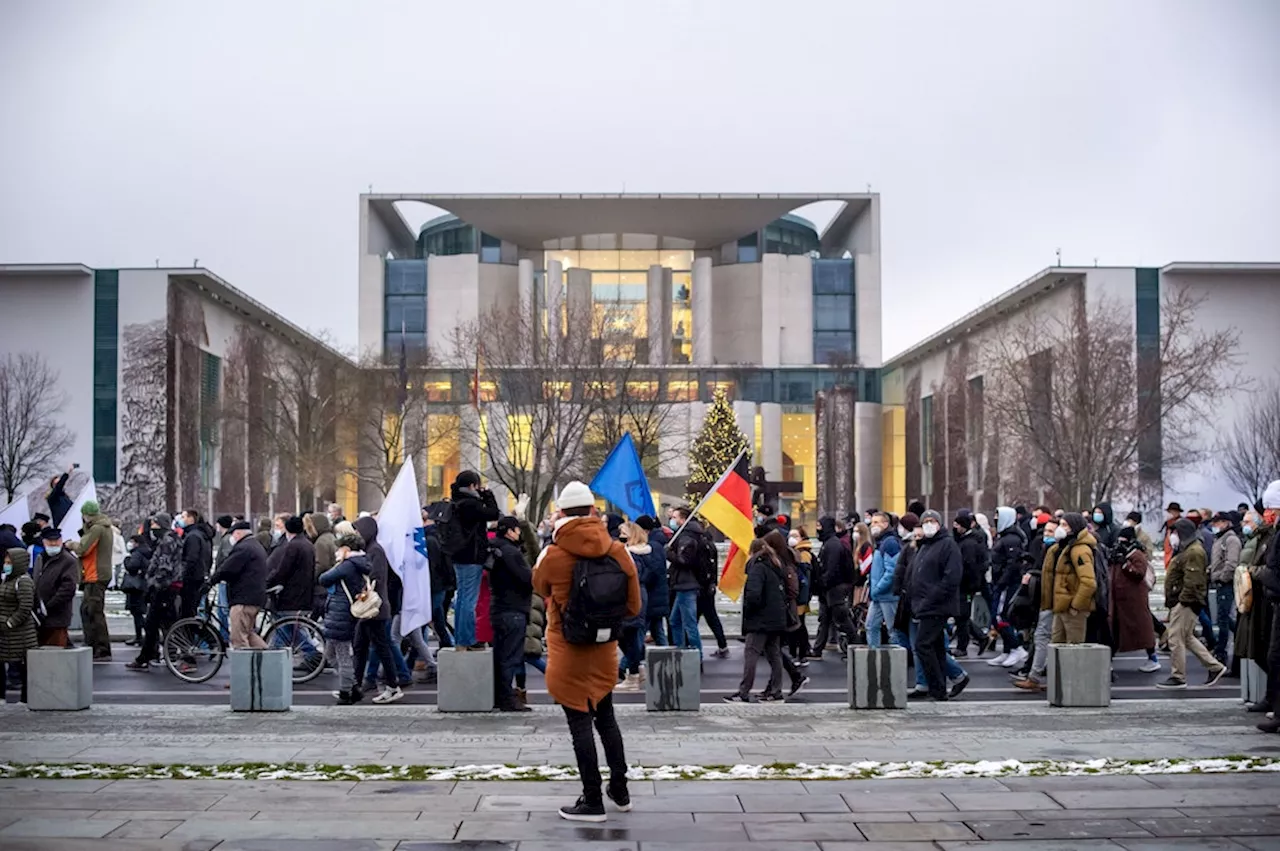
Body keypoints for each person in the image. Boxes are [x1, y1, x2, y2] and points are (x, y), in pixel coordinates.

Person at [531, 480, 641, 823]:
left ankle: (591, 799)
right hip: (604, 650)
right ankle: (619, 790)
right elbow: (633, 606)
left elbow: (538, 586)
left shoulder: (554, 553)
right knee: (606, 719)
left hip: (567, 650)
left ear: (561, 513)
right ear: (594, 512)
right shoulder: (619, 551)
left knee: (579, 722)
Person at [1158, 517, 1227, 689]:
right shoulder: (1186, 549)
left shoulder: (1194, 552)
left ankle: (1178, 676)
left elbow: (1193, 582)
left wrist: (1182, 601)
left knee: (1175, 637)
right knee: (1187, 637)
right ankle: (1215, 667)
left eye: (1174, 532)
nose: (1172, 536)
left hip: (1187, 602)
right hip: (1183, 601)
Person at [725, 536, 792, 703]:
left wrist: (749, 611)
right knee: (774, 654)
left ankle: (743, 692)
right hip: (776, 617)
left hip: (760, 619)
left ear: (752, 551)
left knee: (751, 653)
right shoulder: (776, 564)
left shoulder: (758, 567)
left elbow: (753, 595)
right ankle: (776, 691)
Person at [908, 510, 962, 701]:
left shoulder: (948, 545)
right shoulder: (926, 546)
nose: (929, 524)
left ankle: (936, 687)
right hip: (923, 605)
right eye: (925, 521)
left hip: (937, 605)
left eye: (932, 521)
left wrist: (931, 598)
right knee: (936, 646)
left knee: (922, 645)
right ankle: (940, 688)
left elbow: (951, 577)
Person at [351, 516, 402, 704]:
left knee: (381, 647)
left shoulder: (375, 551)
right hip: (371, 608)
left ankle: (393, 686)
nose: (355, 534)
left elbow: (376, 577)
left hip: (375, 608)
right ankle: (354, 686)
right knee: (361, 646)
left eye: (357, 530)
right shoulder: (370, 550)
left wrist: (362, 587)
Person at [449, 471, 501, 650]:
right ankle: (467, 640)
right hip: (472, 556)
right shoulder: (471, 504)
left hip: (458, 555)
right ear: (472, 486)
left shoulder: (456, 501)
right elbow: (494, 513)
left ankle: (460, 640)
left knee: (462, 599)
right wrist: (488, 495)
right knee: (469, 601)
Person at [320, 533, 373, 705]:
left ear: (347, 549)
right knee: (330, 654)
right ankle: (353, 686)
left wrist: (338, 564)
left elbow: (324, 578)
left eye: (339, 548)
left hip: (341, 614)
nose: (337, 551)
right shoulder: (359, 562)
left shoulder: (348, 565)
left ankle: (346, 693)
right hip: (340, 613)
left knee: (342, 656)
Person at [127, 514, 184, 671]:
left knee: (154, 622)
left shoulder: (167, 541)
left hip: (164, 587)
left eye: (155, 525)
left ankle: (151, 656)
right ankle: (154, 654)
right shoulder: (173, 539)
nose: (152, 528)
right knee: (163, 622)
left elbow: (164, 566)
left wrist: (154, 584)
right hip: (171, 585)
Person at [490, 515, 534, 712]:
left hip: (498, 607)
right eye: (517, 530)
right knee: (510, 657)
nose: (519, 534)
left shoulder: (494, 548)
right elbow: (526, 578)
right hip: (514, 608)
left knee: (500, 655)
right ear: (510, 531)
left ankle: (499, 695)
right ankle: (508, 698)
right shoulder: (511, 552)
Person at [205, 521, 268, 649]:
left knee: (238, 638)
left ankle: (245, 668)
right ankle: (269, 662)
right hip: (254, 597)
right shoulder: (254, 545)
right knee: (248, 634)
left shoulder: (243, 548)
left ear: (238, 533)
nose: (231, 538)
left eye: (233, 534)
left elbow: (227, 568)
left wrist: (211, 581)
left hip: (243, 598)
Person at [1014, 517, 1060, 691]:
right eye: (1046, 531)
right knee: (1043, 636)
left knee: (1042, 636)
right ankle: (1035, 674)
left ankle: (1034, 676)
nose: (1046, 534)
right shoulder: (1046, 549)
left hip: (1053, 601)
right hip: (1046, 600)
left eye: (1051, 531)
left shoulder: (1057, 551)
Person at [1108, 526, 1160, 672]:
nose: (1121, 542)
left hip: (1134, 600)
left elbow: (1139, 573)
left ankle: (1153, 658)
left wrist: (1125, 563)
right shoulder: (1117, 553)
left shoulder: (1137, 554)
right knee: (1115, 631)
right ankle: (1108, 659)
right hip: (1119, 600)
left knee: (1142, 630)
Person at [266, 515, 318, 658]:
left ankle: (312, 655)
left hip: (291, 595)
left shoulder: (293, 546)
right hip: (304, 592)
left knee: (286, 626)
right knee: (288, 628)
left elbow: (283, 570)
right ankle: (275, 655)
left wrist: (267, 582)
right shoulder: (308, 544)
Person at [618, 521, 660, 691]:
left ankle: (633, 673)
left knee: (627, 632)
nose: (620, 535)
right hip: (643, 593)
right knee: (632, 633)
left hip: (632, 593)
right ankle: (637, 669)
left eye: (623, 532)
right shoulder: (649, 552)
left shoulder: (630, 554)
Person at [70, 499, 114, 659]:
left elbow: (83, 549)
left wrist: (71, 545)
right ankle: (94, 644)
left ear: (86, 515)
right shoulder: (103, 527)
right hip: (95, 575)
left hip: (95, 575)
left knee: (93, 611)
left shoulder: (97, 529)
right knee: (89, 610)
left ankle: (99, 646)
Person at [987, 506, 1029, 670]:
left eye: (998, 517)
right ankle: (1007, 650)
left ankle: (1016, 647)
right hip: (1000, 582)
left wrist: (1002, 582)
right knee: (1000, 616)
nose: (996, 520)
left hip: (1007, 583)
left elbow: (1013, 564)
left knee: (999, 616)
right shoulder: (1003, 537)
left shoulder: (1012, 539)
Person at [813, 515, 858, 660]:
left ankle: (857, 648)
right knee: (825, 619)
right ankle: (817, 649)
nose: (817, 529)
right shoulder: (831, 543)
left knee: (841, 618)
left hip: (834, 588)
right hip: (831, 588)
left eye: (819, 526)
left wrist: (822, 583)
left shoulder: (832, 545)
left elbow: (831, 569)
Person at [665, 506, 706, 657]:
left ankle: (696, 656)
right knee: (675, 620)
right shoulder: (684, 535)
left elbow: (684, 560)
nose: (672, 520)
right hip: (682, 584)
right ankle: (681, 651)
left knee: (689, 624)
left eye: (675, 517)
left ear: (682, 519)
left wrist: (669, 554)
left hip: (686, 584)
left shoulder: (687, 537)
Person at [1, 547, 38, 703]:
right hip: (5, 634)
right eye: (5, 561)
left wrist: (10, 622)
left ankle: (26, 700)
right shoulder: (6, 579)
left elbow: (25, 607)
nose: (6, 565)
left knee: (23, 668)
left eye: (9, 562)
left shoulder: (23, 581)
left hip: (20, 634)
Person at [32, 527, 78, 647]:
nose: (53, 544)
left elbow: (68, 588)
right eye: (50, 541)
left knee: (56, 654)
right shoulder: (40, 558)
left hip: (57, 616)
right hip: (40, 616)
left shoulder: (68, 561)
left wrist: (49, 606)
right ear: (44, 542)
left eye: (56, 541)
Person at [951, 511, 988, 659]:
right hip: (963, 584)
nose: (955, 528)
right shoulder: (964, 541)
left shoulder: (969, 544)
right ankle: (978, 637)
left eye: (957, 525)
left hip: (966, 585)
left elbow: (970, 567)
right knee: (960, 615)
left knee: (962, 616)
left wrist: (970, 585)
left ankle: (965, 645)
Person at [1208, 511, 1242, 664]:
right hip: (1220, 582)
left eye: (1218, 522)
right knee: (1223, 617)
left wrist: (1220, 577)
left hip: (1226, 584)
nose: (1215, 525)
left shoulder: (1231, 540)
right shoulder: (1220, 539)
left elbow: (1231, 563)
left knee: (1224, 618)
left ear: (1226, 522)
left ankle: (1221, 651)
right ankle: (1223, 647)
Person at [866, 512, 903, 649]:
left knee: (893, 631)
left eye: (877, 522)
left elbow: (892, 571)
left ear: (886, 524)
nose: (873, 525)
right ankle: (873, 656)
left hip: (888, 596)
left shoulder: (890, 543)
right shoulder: (881, 542)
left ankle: (899, 660)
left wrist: (878, 588)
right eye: (872, 522)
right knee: (870, 626)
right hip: (879, 596)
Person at [637, 516, 669, 646]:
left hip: (652, 596)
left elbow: (653, 570)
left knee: (640, 632)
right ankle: (668, 658)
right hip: (657, 596)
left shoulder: (652, 546)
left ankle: (626, 664)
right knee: (657, 631)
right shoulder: (656, 544)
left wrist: (640, 580)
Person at [178, 509, 214, 619]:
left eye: (183, 517)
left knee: (189, 610)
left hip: (192, 579)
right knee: (198, 608)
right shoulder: (204, 535)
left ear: (191, 519)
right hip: (201, 575)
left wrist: (182, 575)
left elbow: (191, 559)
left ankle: (190, 634)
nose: (181, 520)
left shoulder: (192, 536)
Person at [515, 591, 547, 707]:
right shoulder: (537, 587)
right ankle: (520, 691)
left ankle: (559, 682)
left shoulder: (527, 583)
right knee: (521, 658)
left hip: (527, 626)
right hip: (531, 625)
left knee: (531, 657)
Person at [788, 527, 815, 662]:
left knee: (798, 625)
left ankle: (801, 653)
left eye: (795, 536)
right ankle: (800, 652)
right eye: (790, 535)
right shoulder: (795, 552)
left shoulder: (803, 554)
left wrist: (801, 597)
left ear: (802, 538)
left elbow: (804, 579)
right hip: (798, 595)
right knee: (798, 624)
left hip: (800, 596)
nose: (791, 538)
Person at [121, 532, 152, 646]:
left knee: (137, 613)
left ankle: (141, 636)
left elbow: (132, 567)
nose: (130, 544)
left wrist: (126, 560)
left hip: (135, 587)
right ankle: (142, 636)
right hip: (143, 585)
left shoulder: (137, 553)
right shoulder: (146, 552)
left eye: (132, 542)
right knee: (139, 612)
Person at [306, 512, 337, 619]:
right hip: (330, 585)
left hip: (321, 587)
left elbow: (321, 565)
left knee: (315, 616)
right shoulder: (331, 537)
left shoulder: (320, 542)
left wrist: (310, 578)